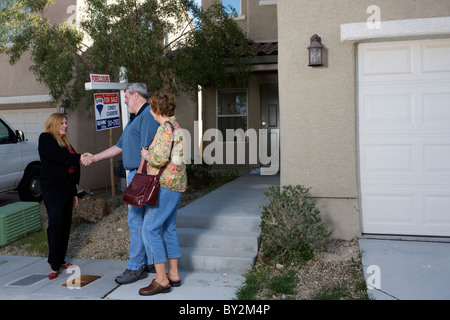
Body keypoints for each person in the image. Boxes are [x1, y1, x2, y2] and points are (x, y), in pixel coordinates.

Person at [83, 83, 159, 284]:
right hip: (136, 175)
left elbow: (147, 151)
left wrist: (139, 181)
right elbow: (119, 146)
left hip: (142, 175)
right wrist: (94, 158)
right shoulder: (135, 119)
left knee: (136, 221)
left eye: (126, 96)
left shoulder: (147, 116)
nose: (124, 100)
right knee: (140, 221)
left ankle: (136, 267)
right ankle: (149, 262)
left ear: (135, 95)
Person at [138, 91, 187, 296]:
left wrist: (146, 154)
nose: (149, 111)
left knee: (150, 228)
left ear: (158, 109)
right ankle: (173, 274)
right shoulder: (176, 127)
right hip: (175, 185)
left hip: (164, 185)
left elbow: (158, 159)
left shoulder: (165, 129)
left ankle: (161, 279)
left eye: (151, 107)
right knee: (168, 229)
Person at [39, 113, 88, 279]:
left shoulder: (65, 141)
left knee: (66, 224)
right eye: (63, 123)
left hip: (67, 188)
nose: (65, 126)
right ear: (54, 123)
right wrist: (80, 157)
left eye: (66, 123)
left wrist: (74, 192)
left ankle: (60, 259)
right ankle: (53, 263)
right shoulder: (46, 138)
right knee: (55, 223)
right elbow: (58, 157)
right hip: (53, 189)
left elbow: (72, 166)